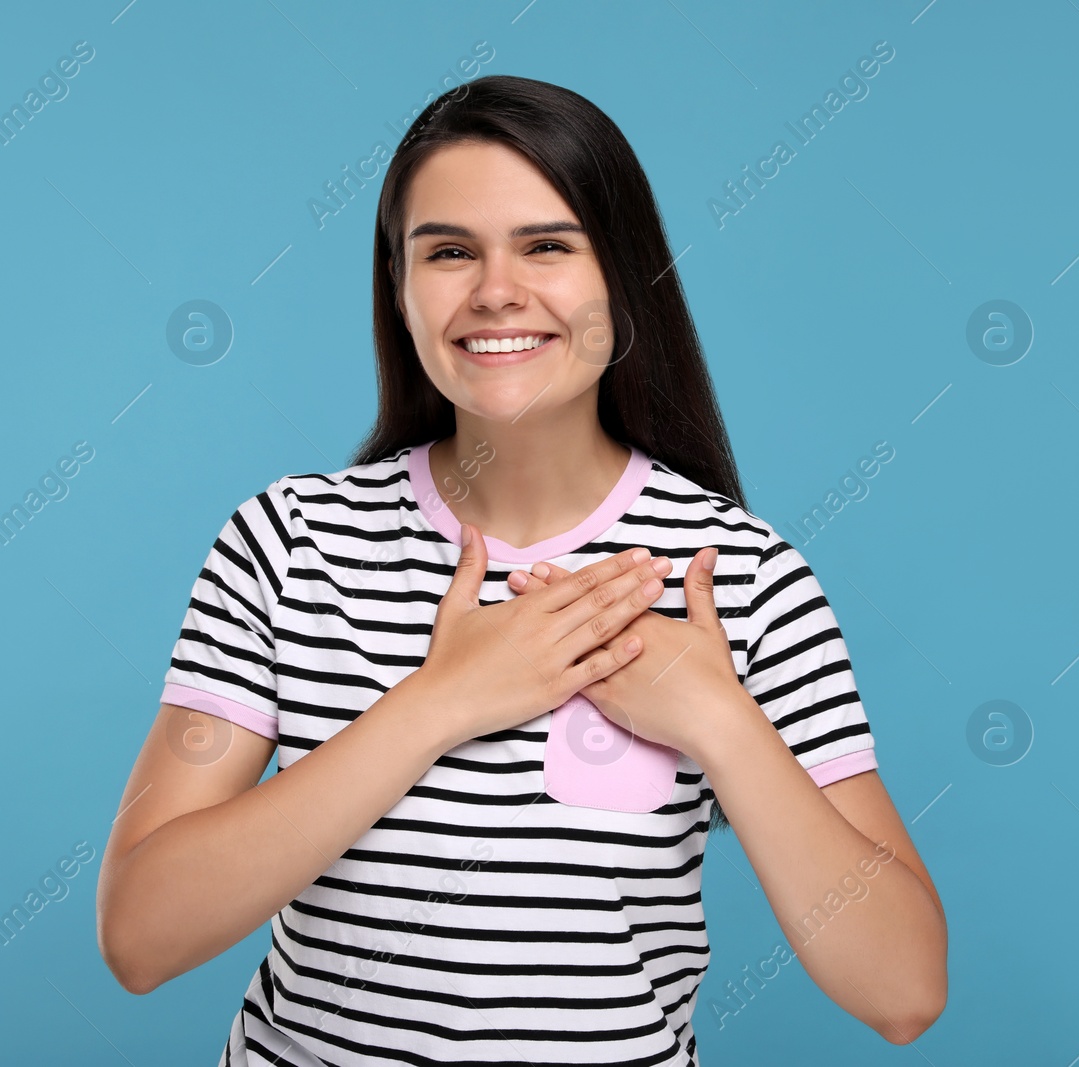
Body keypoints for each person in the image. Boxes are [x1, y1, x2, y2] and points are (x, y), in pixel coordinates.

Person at [95, 74, 946, 1065]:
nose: (495, 290)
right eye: (449, 251)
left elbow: (903, 990)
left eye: (547, 244)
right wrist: (440, 702)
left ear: (621, 279)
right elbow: (141, 935)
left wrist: (721, 721)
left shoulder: (743, 579)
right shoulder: (289, 544)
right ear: (399, 289)